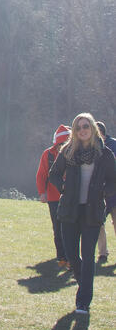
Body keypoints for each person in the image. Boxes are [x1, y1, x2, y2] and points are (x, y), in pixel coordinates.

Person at [49, 113, 116, 315]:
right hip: (70, 210)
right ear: (75, 131)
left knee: (88, 256)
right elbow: (53, 174)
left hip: (92, 211)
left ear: (93, 128)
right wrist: (64, 189)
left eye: (86, 126)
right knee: (71, 255)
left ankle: (83, 302)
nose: (82, 130)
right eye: (78, 128)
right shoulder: (68, 151)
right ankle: (83, 285)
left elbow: (114, 179)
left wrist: (105, 192)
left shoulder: (104, 154)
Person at [35, 125, 71, 268]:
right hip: (54, 198)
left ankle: (71, 258)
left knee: (70, 228)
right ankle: (62, 257)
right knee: (58, 228)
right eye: (60, 144)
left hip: (70, 197)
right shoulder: (48, 155)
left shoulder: (75, 153)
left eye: (65, 144)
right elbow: (41, 175)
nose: (62, 147)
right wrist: (42, 193)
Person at [96, 121, 116, 257]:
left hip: (113, 191)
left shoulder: (113, 145)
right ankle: (103, 252)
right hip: (99, 192)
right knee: (98, 222)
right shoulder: (91, 147)